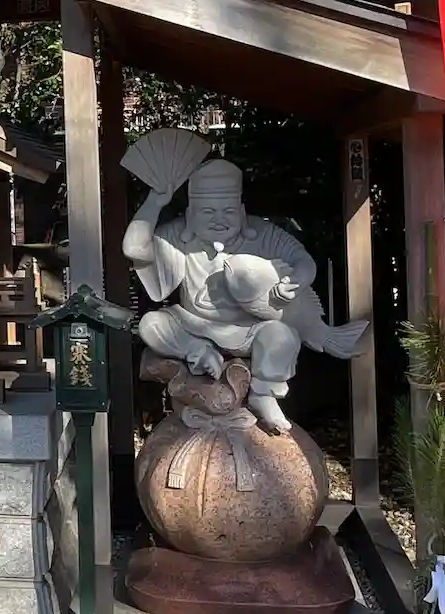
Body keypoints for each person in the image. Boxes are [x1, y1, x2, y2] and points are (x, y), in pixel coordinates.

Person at [122, 158, 366, 432]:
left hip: (250, 330)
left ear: (241, 211)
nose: (218, 219)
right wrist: (154, 202)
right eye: (208, 211)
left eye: (228, 211)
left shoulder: (262, 234)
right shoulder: (179, 235)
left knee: (283, 335)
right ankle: (199, 353)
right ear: (190, 215)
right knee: (151, 324)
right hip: (193, 326)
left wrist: (295, 282)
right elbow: (133, 249)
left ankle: (264, 392)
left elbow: (303, 260)